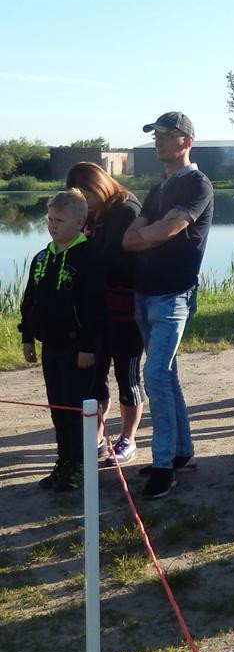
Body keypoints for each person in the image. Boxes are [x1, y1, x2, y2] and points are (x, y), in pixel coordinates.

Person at [123, 111, 213, 500]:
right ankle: (180, 453)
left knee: (155, 374)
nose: (157, 140)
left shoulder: (197, 184)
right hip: (144, 294)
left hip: (173, 295)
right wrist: (149, 235)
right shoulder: (158, 188)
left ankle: (163, 467)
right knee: (167, 376)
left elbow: (164, 231)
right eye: (154, 135)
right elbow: (130, 239)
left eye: (164, 134)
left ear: (186, 141)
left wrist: (149, 234)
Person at [18, 189, 101, 492]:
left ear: (80, 222)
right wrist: (28, 336)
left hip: (78, 348)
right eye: (50, 219)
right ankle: (63, 461)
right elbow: (30, 300)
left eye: (60, 220)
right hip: (50, 346)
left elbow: (94, 307)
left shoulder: (88, 257)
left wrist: (87, 346)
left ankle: (80, 466)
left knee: (76, 409)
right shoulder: (42, 258)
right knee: (58, 409)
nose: (52, 225)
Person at [65, 162, 144, 466]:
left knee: (128, 375)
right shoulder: (92, 215)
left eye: (86, 192)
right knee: (94, 378)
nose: (84, 200)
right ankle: (97, 437)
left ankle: (128, 438)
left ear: (100, 184)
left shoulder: (126, 210)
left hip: (125, 309)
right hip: (95, 312)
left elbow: (116, 258)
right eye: (77, 195)